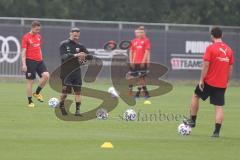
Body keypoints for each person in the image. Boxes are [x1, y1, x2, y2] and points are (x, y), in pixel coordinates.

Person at [185, 27, 234, 138]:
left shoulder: (210, 48)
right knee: (218, 107)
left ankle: (192, 120)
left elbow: (206, 65)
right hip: (222, 83)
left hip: (209, 81)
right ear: (222, 36)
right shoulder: (229, 50)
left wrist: (202, 80)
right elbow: (230, 68)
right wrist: (227, 81)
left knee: (196, 95)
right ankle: (216, 132)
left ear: (212, 36)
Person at [59, 27, 90, 116]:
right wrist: (76, 55)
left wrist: (84, 57)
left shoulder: (80, 46)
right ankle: (61, 106)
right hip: (66, 72)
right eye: (74, 35)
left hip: (76, 72)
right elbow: (63, 57)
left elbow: (89, 57)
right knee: (65, 93)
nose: (76, 37)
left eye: (77, 36)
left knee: (78, 92)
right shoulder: (64, 44)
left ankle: (77, 111)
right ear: (70, 34)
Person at [21, 21, 49, 108]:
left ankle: (37, 93)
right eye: (36, 29)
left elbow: (38, 48)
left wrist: (41, 57)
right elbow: (23, 52)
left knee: (46, 76)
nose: (38, 31)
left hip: (39, 61)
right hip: (30, 61)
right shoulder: (26, 37)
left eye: (39, 29)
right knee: (30, 81)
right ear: (32, 27)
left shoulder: (39, 36)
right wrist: (24, 64)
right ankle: (30, 102)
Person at [128, 26, 151, 98]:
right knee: (131, 76)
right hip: (134, 62)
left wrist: (144, 61)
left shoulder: (146, 40)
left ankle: (140, 93)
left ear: (143, 33)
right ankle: (131, 89)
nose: (138, 33)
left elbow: (147, 52)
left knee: (141, 78)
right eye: (137, 32)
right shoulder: (133, 41)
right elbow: (131, 51)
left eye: (140, 32)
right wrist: (131, 61)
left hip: (142, 62)